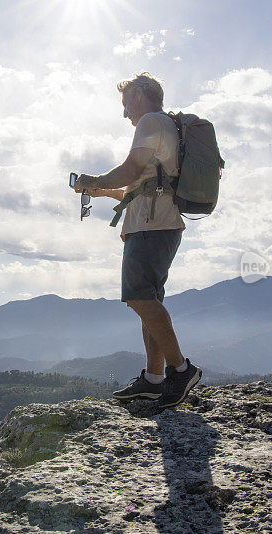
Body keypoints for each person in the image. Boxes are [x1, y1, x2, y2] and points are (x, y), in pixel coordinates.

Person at [74, 72, 202, 408]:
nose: (124, 112)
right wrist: (99, 190)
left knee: (140, 298)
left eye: (126, 101)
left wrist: (93, 177)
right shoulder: (163, 127)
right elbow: (137, 187)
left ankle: (181, 370)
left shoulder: (151, 122)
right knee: (149, 302)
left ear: (142, 93)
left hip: (152, 226)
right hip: (154, 222)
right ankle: (154, 379)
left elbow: (131, 170)